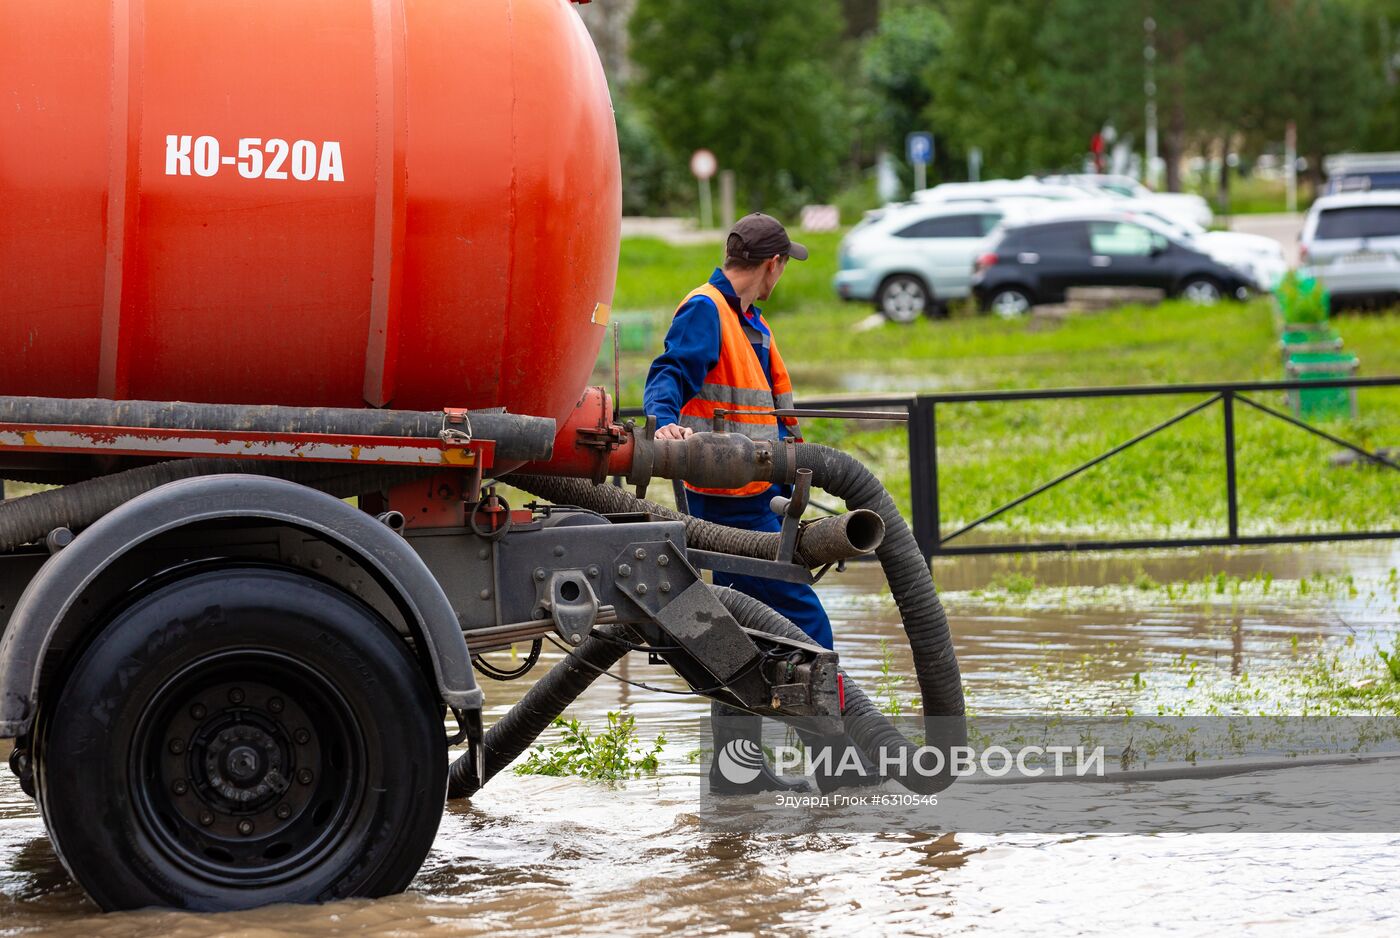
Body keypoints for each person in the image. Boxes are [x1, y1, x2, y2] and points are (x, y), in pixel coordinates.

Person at [644, 213, 837, 793]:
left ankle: (738, 776)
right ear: (772, 264)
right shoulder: (708, 310)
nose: (782, 275)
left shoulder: (752, 324)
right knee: (808, 629)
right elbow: (671, 371)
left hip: (759, 500)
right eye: (784, 265)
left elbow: (770, 416)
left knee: (735, 639)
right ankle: (835, 770)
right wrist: (663, 423)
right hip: (728, 508)